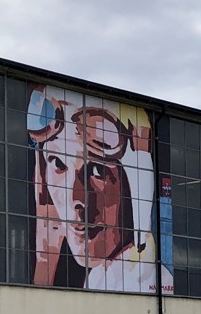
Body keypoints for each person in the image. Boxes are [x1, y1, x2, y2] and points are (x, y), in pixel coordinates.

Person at [27, 85, 173, 294]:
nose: (76, 198)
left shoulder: (138, 285)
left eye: (97, 170)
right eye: (58, 164)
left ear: (134, 187)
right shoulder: (99, 278)